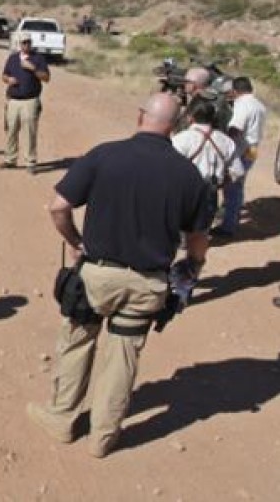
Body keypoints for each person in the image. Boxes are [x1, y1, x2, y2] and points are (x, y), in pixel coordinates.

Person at [28, 93, 211, 459]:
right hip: (148, 283)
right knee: (122, 359)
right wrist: (192, 265)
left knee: (78, 342)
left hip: (97, 277)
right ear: (176, 126)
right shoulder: (191, 177)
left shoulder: (104, 155)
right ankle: (103, 437)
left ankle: (62, 418)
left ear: (140, 115)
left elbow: (58, 207)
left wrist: (76, 242)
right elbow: (198, 240)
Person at [172, 100, 243, 219]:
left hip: (184, 192)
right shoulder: (226, 142)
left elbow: (169, 168)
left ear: (190, 118)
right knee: (201, 233)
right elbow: (238, 171)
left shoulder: (180, 139)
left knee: (179, 230)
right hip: (210, 193)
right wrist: (221, 184)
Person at [218, 76, 267, 237]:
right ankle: (231, 218)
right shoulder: (259, 105)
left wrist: (223, 143)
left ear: (235, 90)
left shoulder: (242, 105)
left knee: (232, 188)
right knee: (237, 186)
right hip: (252, 150)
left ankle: (228, 226)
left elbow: (235, 129)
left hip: (241, 150)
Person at [0, 35, 50, 173]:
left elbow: (46, 78)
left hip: (30, 100)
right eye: (23, 43)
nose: (26, 45)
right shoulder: (13, 58)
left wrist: (32, 68)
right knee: (11, 130)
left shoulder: (38, 58)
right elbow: (4, 75)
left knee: (30, 132)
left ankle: (30, 162)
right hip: (14, 100)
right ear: (19, 44)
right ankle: (10, 159)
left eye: (28, 42)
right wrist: (8, 79)